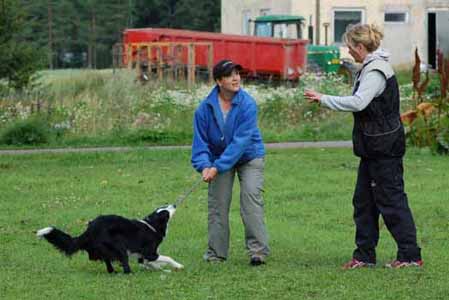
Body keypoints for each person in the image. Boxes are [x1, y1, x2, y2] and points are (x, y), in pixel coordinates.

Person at [304, 24, 422, 269]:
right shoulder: (369, 67)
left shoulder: (376, 70)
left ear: (360, 46)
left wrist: (323, 99)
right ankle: (364, 256)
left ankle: (410, 256)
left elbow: (359, 102)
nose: (348, 51)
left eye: (350, 46)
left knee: (391, 201)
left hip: (384, 148)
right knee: (364, 203)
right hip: (373, 147)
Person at [191, 59, 269, 266]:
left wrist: (217, 166)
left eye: (237, 74)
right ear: (219, 81)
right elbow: (200, 145)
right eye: (229, 75)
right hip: (218, 160)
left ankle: (258, 252)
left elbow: (240, 143)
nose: (236, 78)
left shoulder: (248, 104)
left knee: (250, 198)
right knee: (218, 203)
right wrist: (205, 165)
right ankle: (216, 254)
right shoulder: (203, 110)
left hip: (249, 156)